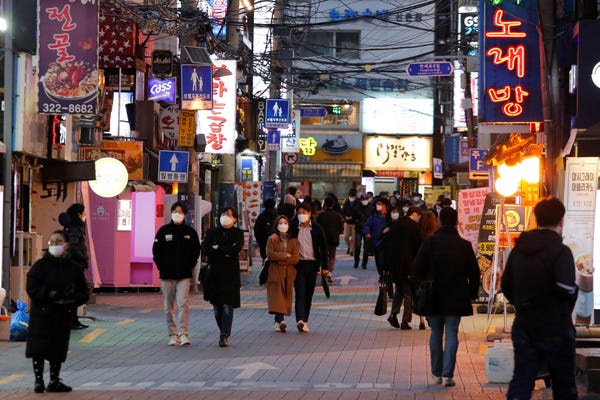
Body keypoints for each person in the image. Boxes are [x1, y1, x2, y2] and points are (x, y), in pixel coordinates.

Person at [501, 197, 578, 400]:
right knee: (564, 384)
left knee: (522, 379)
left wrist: (522, 304)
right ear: (561, 220)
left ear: (536, 218)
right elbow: (567, 287)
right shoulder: (562, 251)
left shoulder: (519, 250)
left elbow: (505, 286)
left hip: (525, 323)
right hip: (556, 326)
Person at [414, 207, 479, 387]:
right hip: (456, 295)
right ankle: (448, 374)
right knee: (452, 334)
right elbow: (474, 273)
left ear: (440, 221)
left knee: (435, 332)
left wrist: (424, 281)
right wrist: (471, 294)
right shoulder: (464, 245)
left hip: (433, 294)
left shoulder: (429, 242)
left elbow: (417, 267)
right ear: (457, 222)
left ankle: (436, 373)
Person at [26, 230, 89, 393]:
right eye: (52, 242)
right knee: (38, 347)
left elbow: (83, 291)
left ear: (66, 245)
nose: (54, 245)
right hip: (42, 313)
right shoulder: (40, 266)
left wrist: (73, 297)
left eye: (58, 242)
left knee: (57, 347)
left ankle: (54, 380)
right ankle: (38, 380)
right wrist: (47, 293)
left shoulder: (73, 268)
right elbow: (31, 287)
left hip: (62, 313)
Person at [152, 201, 201, 346]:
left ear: (185, 215)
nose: (177, 213)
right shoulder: (163, 231)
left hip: (184, 275)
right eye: (175, 210)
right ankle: (173, 335)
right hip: (166, 275)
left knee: (183, 304)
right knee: (168, 306)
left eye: (180, 211)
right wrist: (161, 266)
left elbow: (196, 251)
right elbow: (156, 251)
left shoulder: (190, 232)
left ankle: (183, 334)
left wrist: (190, 266)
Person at [201, 207, 245, 347]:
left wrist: (218, 248)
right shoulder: (212, 232)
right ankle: (223, 331)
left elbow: (235, 250)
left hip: (230, 273)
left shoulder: (238, 233)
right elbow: (206, 250)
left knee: (227, 304)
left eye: (229, 215)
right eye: (223, 214)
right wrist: (224, 250)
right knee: (217, 306)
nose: (225, 217)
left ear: (235, 219)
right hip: (214, 272)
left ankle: (224, 334)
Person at [291, 202, 329, 333]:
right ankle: (300, 320)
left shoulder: (317, 228)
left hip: (313, 265)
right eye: (299, 213)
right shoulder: (293, 228)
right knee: (300, 293)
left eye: (304, 213)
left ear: (310, 214)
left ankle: (305, 321)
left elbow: (324, 248)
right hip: (298, 265)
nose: (301, 215)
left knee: (308, 294)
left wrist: (325, 266)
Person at [385, 206, 422, 329]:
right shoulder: (414, 226)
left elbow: (388, 243)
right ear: (415, 214)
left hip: (395, 264)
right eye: (418, 216)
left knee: (400, 289)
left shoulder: (396, 224)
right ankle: (405, 321)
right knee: (408, 292)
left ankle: (393, 314)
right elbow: (418, 246)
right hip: (408, 264)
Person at [58, 203, 90, 330]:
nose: (85, 215)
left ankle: (73, 320)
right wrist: (82, 258)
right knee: (75, 294)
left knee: (72, 294)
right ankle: (72, 321)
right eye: (84, 213)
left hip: (70, 265)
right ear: (78, 214)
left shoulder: (69, 227)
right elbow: (73, 246)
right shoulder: (75, 228)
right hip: (74, 266)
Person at [266, 215, 300, 333]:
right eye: (280, 223)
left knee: (285, 296)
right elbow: (270, 255)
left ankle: (277, 321)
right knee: (277, 296)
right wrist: (285, 256)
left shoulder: (294, 240)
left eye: (285, 222)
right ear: (276, 225)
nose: (283, 225)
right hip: (275, 272)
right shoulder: (272, 239)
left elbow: (295, 258)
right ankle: (281, 320)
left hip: (289, 272)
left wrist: (279, 258)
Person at [317, 196, 344, 283]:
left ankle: (324, 273)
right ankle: (329, 273)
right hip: (333, 239)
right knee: (332, 257)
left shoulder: (321, 215)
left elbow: (317, 227)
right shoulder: (337, 215)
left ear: (325, 204)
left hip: (322, 239)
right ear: (333, 204)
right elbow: (341, 228)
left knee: (323, 256)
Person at [363, 197, 390, 274]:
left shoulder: (390, 216)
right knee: (378, 259)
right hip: (377, 242)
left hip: (388, 242)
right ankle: (381, 274)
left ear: (385, 205)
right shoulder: (374, 216)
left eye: (380, 204)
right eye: (377, 204)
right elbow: (367, 225)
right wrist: (367, 232)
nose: (378, 206)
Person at [352, 194, 374, 269]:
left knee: (366, 247)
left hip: (367, 230)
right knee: (357, 246)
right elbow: (353, 218)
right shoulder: (356, 208)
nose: (365, 201)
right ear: (361, 200)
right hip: (358, 229)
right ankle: (356, 262)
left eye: (366, 199)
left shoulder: (371, 208)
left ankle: (364, 263)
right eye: (364, 199)